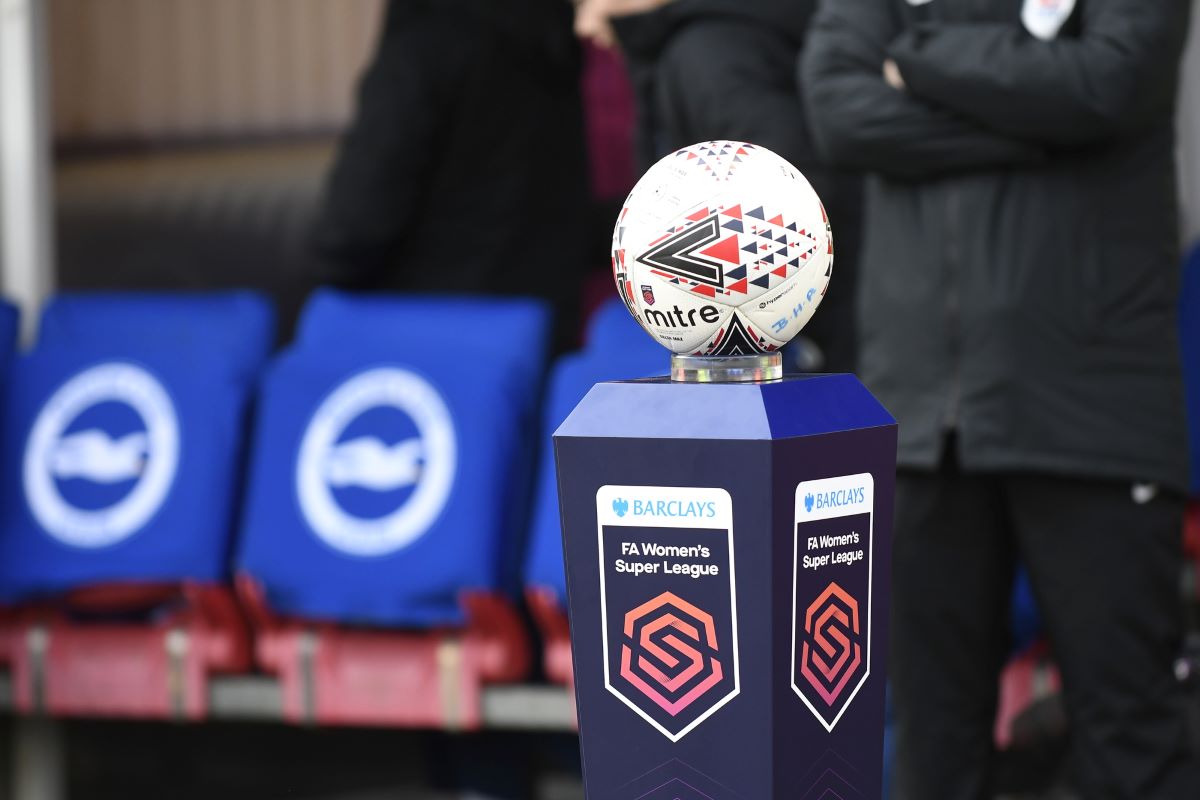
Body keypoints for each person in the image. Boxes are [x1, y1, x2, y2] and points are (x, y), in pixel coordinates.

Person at [802, 0, 1198, 797]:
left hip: (1094, 414)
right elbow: (837, 111)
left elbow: (1109, 85)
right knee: (929, 743)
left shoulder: (907, 36)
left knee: (1130, 735)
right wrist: (1039, 122)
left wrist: (916, 60)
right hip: (919, 425)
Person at [575, 0, 861, 373]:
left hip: (802, 341)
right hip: (784, 334)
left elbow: (791, 202)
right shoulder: (691, 49)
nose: (583, 24)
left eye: (584, 2)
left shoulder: (709, 57)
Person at [312, 0, 589, 352]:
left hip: (426, 338)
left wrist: (317, 291)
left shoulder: (425, 41)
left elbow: (355, 220)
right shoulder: (553, 38)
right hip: (540, 333)